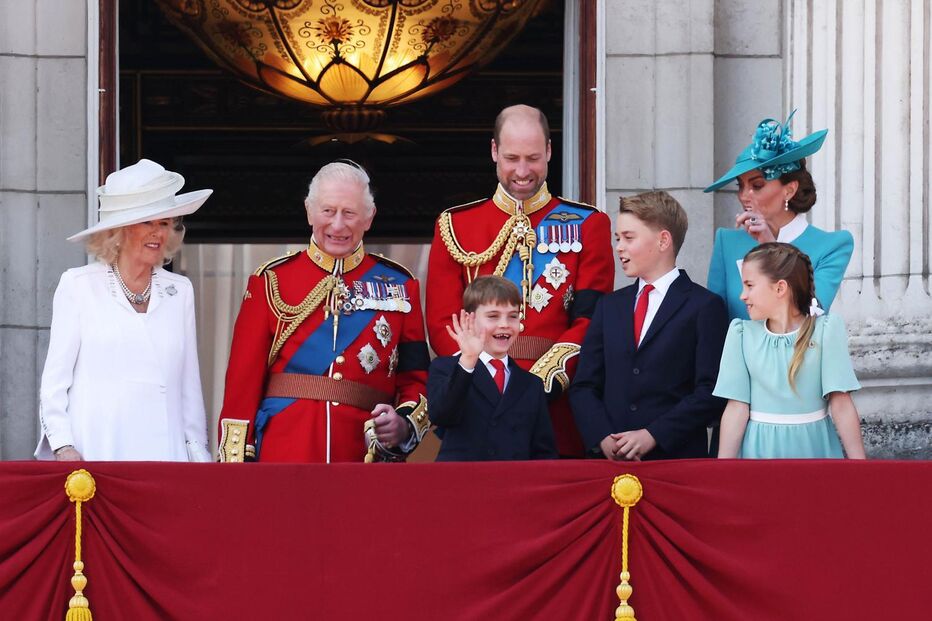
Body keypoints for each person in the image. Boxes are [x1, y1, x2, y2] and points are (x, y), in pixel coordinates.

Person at [426, 104, 614, 457]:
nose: (523, 171)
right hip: (475, 402)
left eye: (533, 158)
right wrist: (482, 380)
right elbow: (442, 324)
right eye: (512, 158)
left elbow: (591, 320)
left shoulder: (588, 224)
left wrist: (540, 384)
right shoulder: (455, 225)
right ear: (494, 151)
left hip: (555, 403)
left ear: (549, 152)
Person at [217, 161, 430, 463]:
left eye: (350, 213)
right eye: (328, 211)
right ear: (309, 211)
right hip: (284, 453)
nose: (338, 225)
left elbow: (415, 380)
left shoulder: (401, 285)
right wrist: (236, 465)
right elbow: (242, 384)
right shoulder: (271, 281)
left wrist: (403, 424)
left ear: (369, 218)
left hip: (361, 458)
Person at [36, 158, 212, 462]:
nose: (158, 233)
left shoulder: (179, 291)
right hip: (97, 452)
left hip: (166, 457)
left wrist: (198, 455)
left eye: (165, 223)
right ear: (119, 231)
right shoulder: (78, 286)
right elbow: (54, 384)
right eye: (148, 222)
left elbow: (188, 386)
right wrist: (63, 446)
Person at [569, 191, 729, 460]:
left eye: (629, 238)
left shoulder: (704, 306)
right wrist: (602, 437)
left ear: (663, 240)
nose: (619, 247)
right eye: (618, 239)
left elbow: (710, 392)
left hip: (676, 461)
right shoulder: (609, 307)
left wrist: (654, 435)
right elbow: (584, 385)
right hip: (610, 463)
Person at [715, 242, 866, 459]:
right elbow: (737, 408)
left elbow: (841, 404)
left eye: (749, 285)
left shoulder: (825, 331)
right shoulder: (741, 334)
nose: (742, 295)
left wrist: (861, 467)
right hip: (759, 453)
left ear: (780, 288)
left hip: (815, 450)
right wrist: (723, 469)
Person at [704, 111, 853, 319]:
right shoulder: (726, 242)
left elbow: (811, 314)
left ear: (789, 190)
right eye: (740, 185)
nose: (744, 195)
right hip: (739, 352)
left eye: (757, 185)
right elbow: (714, 321)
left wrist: (769, 247)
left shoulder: (831, 245)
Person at [427, 276, 557, 461]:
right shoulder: (447, 367)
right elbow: (442, 415)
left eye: (513, 316)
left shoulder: (531, 384)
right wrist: (469, 359)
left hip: (514, 485)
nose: (504, 324)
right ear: (468, 319)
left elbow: (544, 453)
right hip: (461, 483)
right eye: (493, 316)